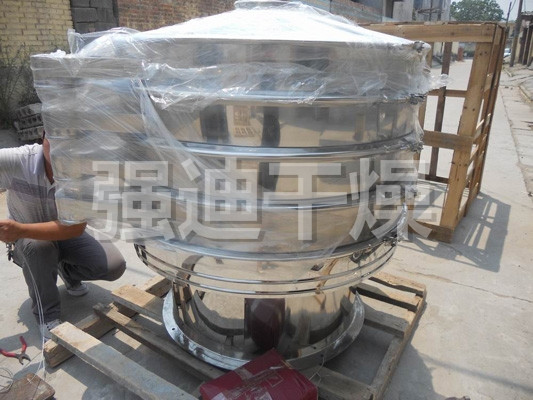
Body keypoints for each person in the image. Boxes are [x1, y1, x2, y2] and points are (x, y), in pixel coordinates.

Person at [0, 132, 126, 339]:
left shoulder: (86, 173)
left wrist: (18, 229)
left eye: (70, 141)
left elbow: (75, 229)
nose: (60, 148)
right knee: (39, 246)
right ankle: (47, 316)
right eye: (55, 138)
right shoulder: (18, 160)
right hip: (28, 244)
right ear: (43, 137)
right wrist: (16, 232)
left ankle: (66, 271)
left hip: (65, 232)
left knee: (114, 265)